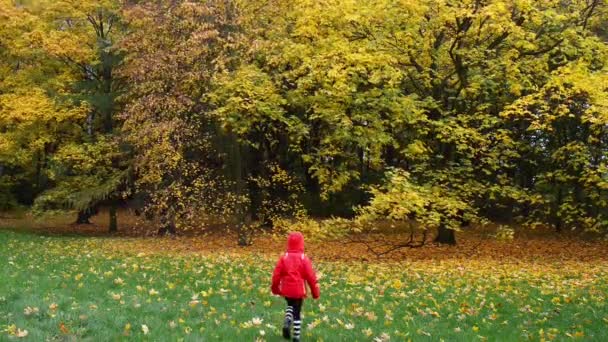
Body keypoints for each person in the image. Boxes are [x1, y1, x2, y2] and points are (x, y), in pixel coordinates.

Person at [271, 232, 320, 341]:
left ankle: (288, 319)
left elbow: (276, 275)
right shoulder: (304, 259)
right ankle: (296, 336)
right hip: (298, 291)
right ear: (301, 244)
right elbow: (311, 277)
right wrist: (315, 293)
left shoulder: (284, 258)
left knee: (290, 305)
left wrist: (275, 289)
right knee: (297, 311)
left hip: (286, 289)